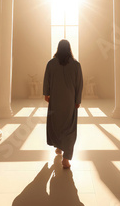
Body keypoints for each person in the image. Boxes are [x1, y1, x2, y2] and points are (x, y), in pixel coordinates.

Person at [43, 39, 83, 169]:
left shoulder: (51, 64)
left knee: (56, 124)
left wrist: (46, 94)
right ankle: (66, 158)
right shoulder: (76, 65)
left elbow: (46, 80)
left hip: (55, 101)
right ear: (70, 49)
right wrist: (78, 100)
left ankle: (59, 147)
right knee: (69, 128)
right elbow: (79, 84)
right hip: (70, 102)